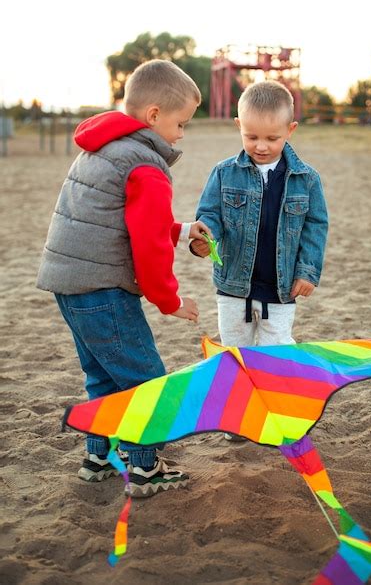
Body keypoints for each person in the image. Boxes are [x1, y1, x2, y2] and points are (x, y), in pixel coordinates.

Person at [36, 59, 211, 495]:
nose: (181, 134)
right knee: (144, 380)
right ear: (154, 116)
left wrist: (182, 230)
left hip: (69, 282)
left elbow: (114, 220)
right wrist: (170, 301)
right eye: (181, 124)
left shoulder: (101, 149)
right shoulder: (147, 167)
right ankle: (146, 468)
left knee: (103, 377)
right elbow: (147, 245)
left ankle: (100, 456)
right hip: (103, 289)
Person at [191, 81, 328, 440]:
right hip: (234, 285)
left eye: (272, 138)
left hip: (281, 286)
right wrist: (203, 240)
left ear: (290, 130)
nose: (261, 146)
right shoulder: (224, 173)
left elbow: (316, 227)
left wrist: (308, 271)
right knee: (237, 351)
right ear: (238, 126)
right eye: (251, 137)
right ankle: (240, 417)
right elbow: (210, 216)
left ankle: (281, 411)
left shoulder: (307, 179)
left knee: (276, 351)